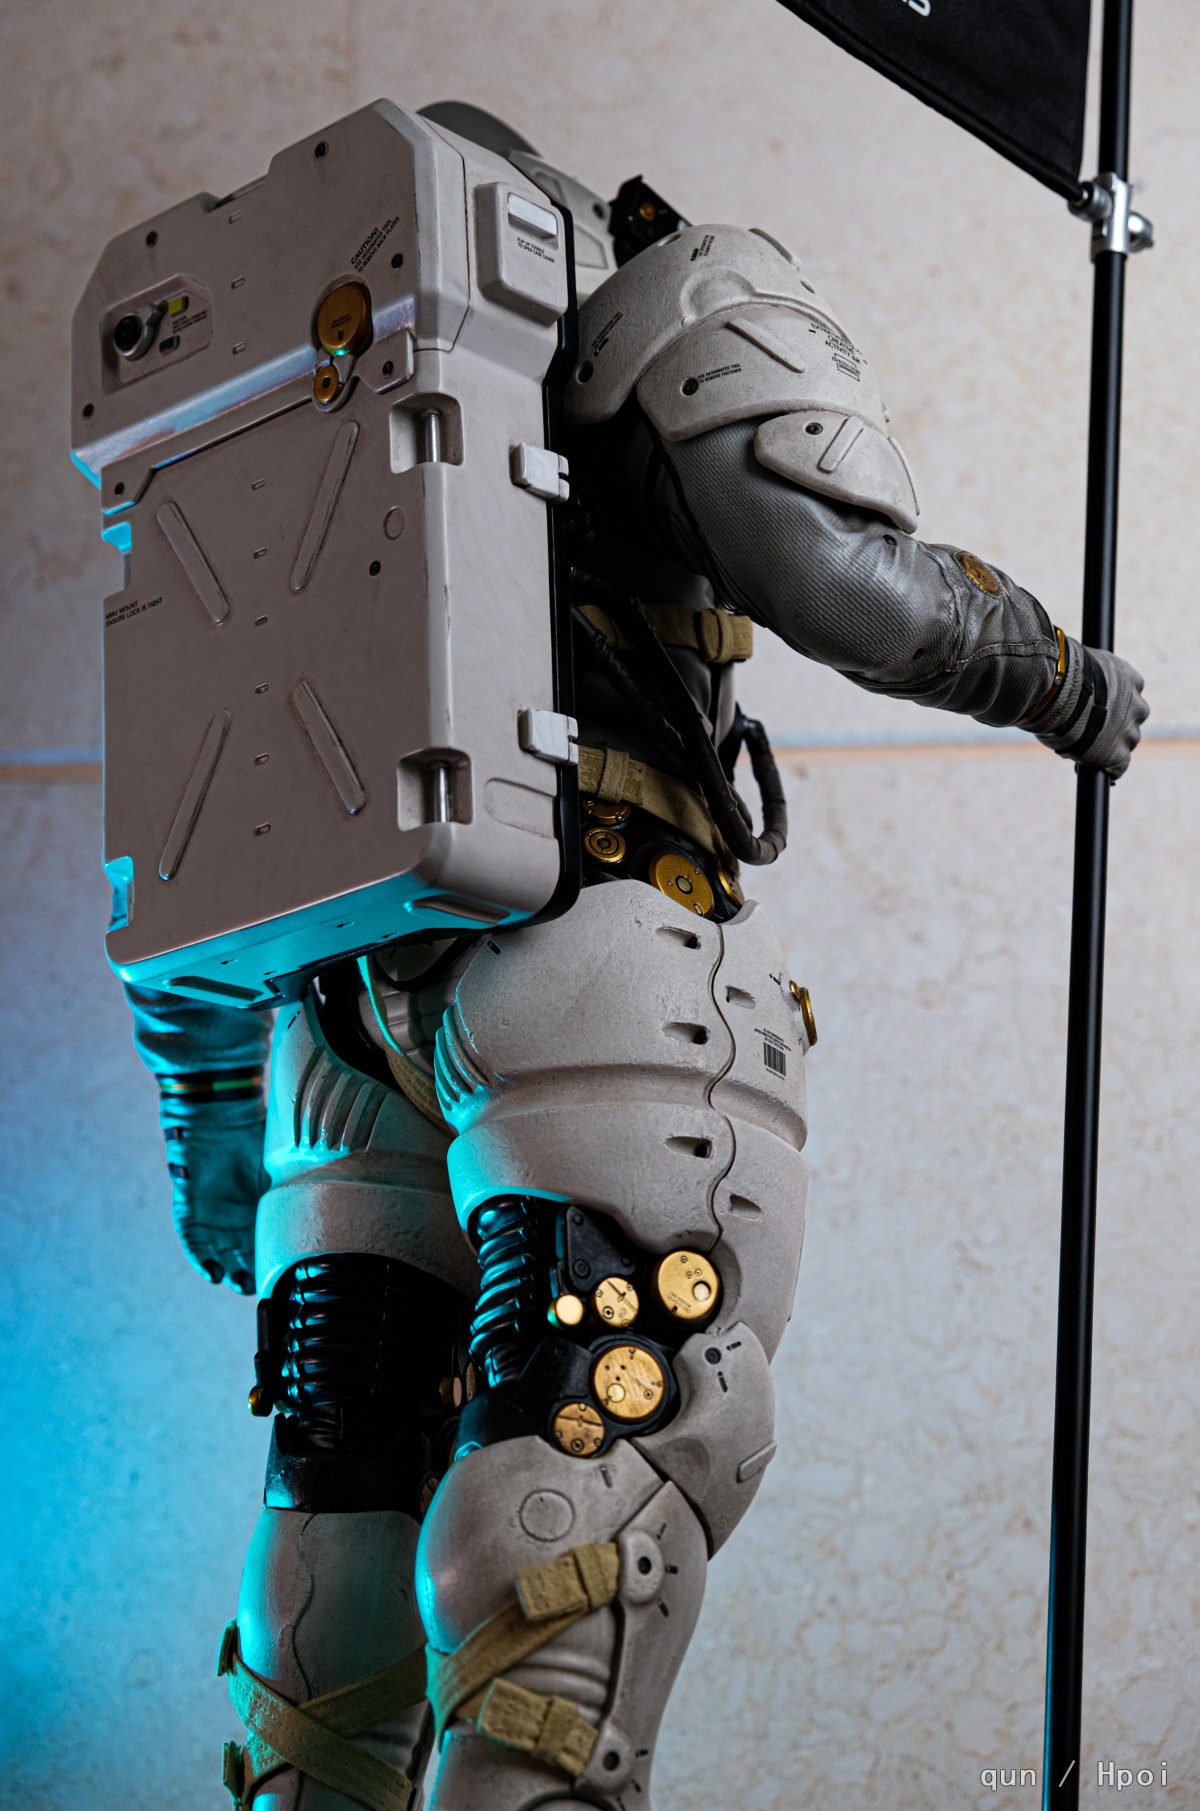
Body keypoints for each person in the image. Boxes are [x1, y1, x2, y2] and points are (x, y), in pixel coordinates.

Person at [122, 105, 1147, 1811]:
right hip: (587, 969)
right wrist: (1062, 679)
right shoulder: (666, 294)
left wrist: (207, 1123)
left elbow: (178, 807)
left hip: (327, 1037)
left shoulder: (243, 403)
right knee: (580, 1526)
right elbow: (848, 585)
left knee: (331, 1562)